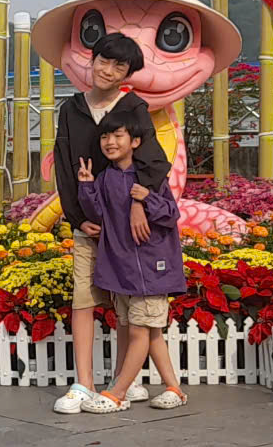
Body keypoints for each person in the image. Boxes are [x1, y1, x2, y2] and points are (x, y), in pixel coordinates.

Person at [45, 30, 172, 415]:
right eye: (104, 60)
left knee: (126, 302)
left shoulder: (134, 108)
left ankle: (123, 382)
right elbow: (65, 167)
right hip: (90, 223)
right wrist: (78, 218)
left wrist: (137, 206)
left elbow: (154, 163)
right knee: (83, 299)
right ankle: (83, 383)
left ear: (128, 73)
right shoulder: (71, 110)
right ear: (92, 59)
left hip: (128, 226)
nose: (109, 70)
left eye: (120, 66)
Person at [73, 120, 190, 412]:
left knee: (140, 332)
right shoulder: (106, 178)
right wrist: (86, 186)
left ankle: (118, 393)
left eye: (118, 135)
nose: (110, 142)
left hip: (152, 269)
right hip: (124, 270)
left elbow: (170, 214)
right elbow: (98, 213)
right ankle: (174, 389)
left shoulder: (149, 178)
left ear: (135, 141)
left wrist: (147, 198)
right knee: (151, 332)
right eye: (105, 136)